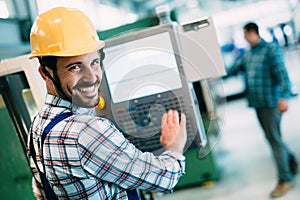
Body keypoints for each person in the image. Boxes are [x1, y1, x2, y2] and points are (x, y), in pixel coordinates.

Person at [27, 7, 187, 199]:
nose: (92, 77)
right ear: (46, 73)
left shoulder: (38, 127)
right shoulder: (88, 131)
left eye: (95, 62)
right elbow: (164, 178)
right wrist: (174, 147)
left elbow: (41, 193)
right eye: (75, 67)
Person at [226, 22, 298, 198]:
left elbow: (282, 74)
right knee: (272, 136)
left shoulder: (270, 49)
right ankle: (291, 161)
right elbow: (233, 69)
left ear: (253, 33)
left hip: (271, 102)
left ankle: (285, 180)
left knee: (273, 139)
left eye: (245, 35)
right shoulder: (249, 54)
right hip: (257, 103)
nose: (244, 39)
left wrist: (283, 97)